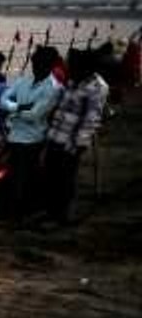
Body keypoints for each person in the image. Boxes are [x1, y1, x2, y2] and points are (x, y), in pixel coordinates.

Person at [42, 49, 109, 225]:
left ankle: (63, 215)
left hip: (71, 141)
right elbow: (61, 105)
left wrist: (80, 143)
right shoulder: (73, 80)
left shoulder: (98, 87)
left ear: (85, 67)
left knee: (66, 178)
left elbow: (91, 118)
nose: (69, 68)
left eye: (73, 65)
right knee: (50, 175)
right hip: (55, 134)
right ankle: (50, 211)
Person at [0, 45, 62, 221]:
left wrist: (12, 110)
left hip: (33, 138)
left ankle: (22, 210)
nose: (35, 68)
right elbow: (2, 100)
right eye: (34, 64)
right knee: (14, 174)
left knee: (26, 176)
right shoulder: (23, 80)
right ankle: (13, 209)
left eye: (39, 65)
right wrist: (18, 107)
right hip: (14, 134)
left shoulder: (53, 89)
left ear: (49, 66)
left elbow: (35, 115)